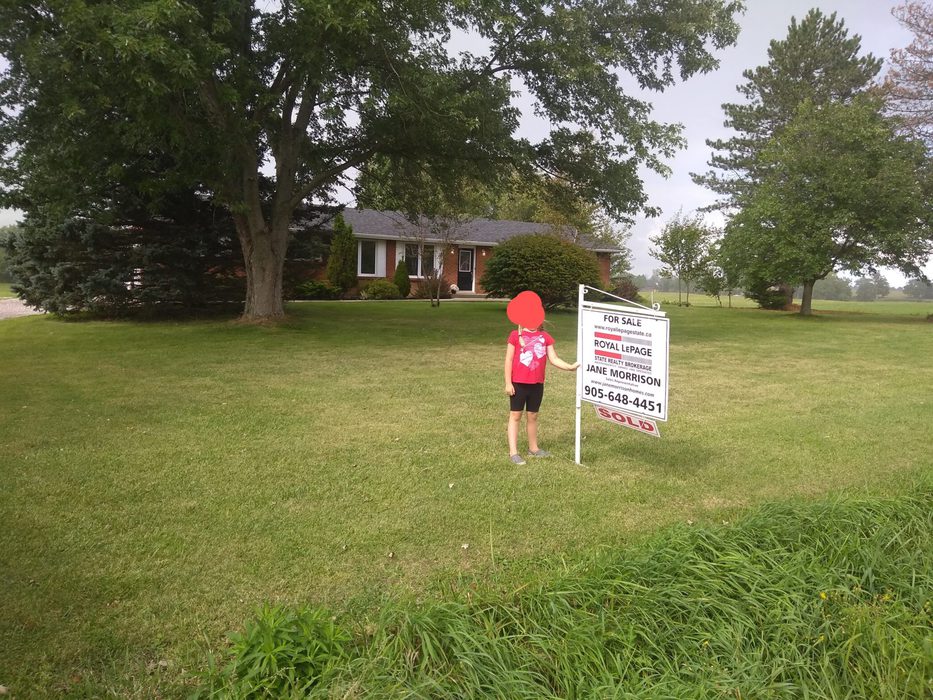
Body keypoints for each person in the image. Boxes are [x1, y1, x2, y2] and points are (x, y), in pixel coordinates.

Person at [504, 321, 580, 465]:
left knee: (533, 415)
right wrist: (508, 383)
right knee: (515, 415)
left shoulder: (545, 337)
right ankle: (513, 452)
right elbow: (508, 359)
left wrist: (569, 367)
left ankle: (533, 448)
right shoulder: (515, 335)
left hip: (537, 384)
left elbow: (554, 358)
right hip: (518, 384)